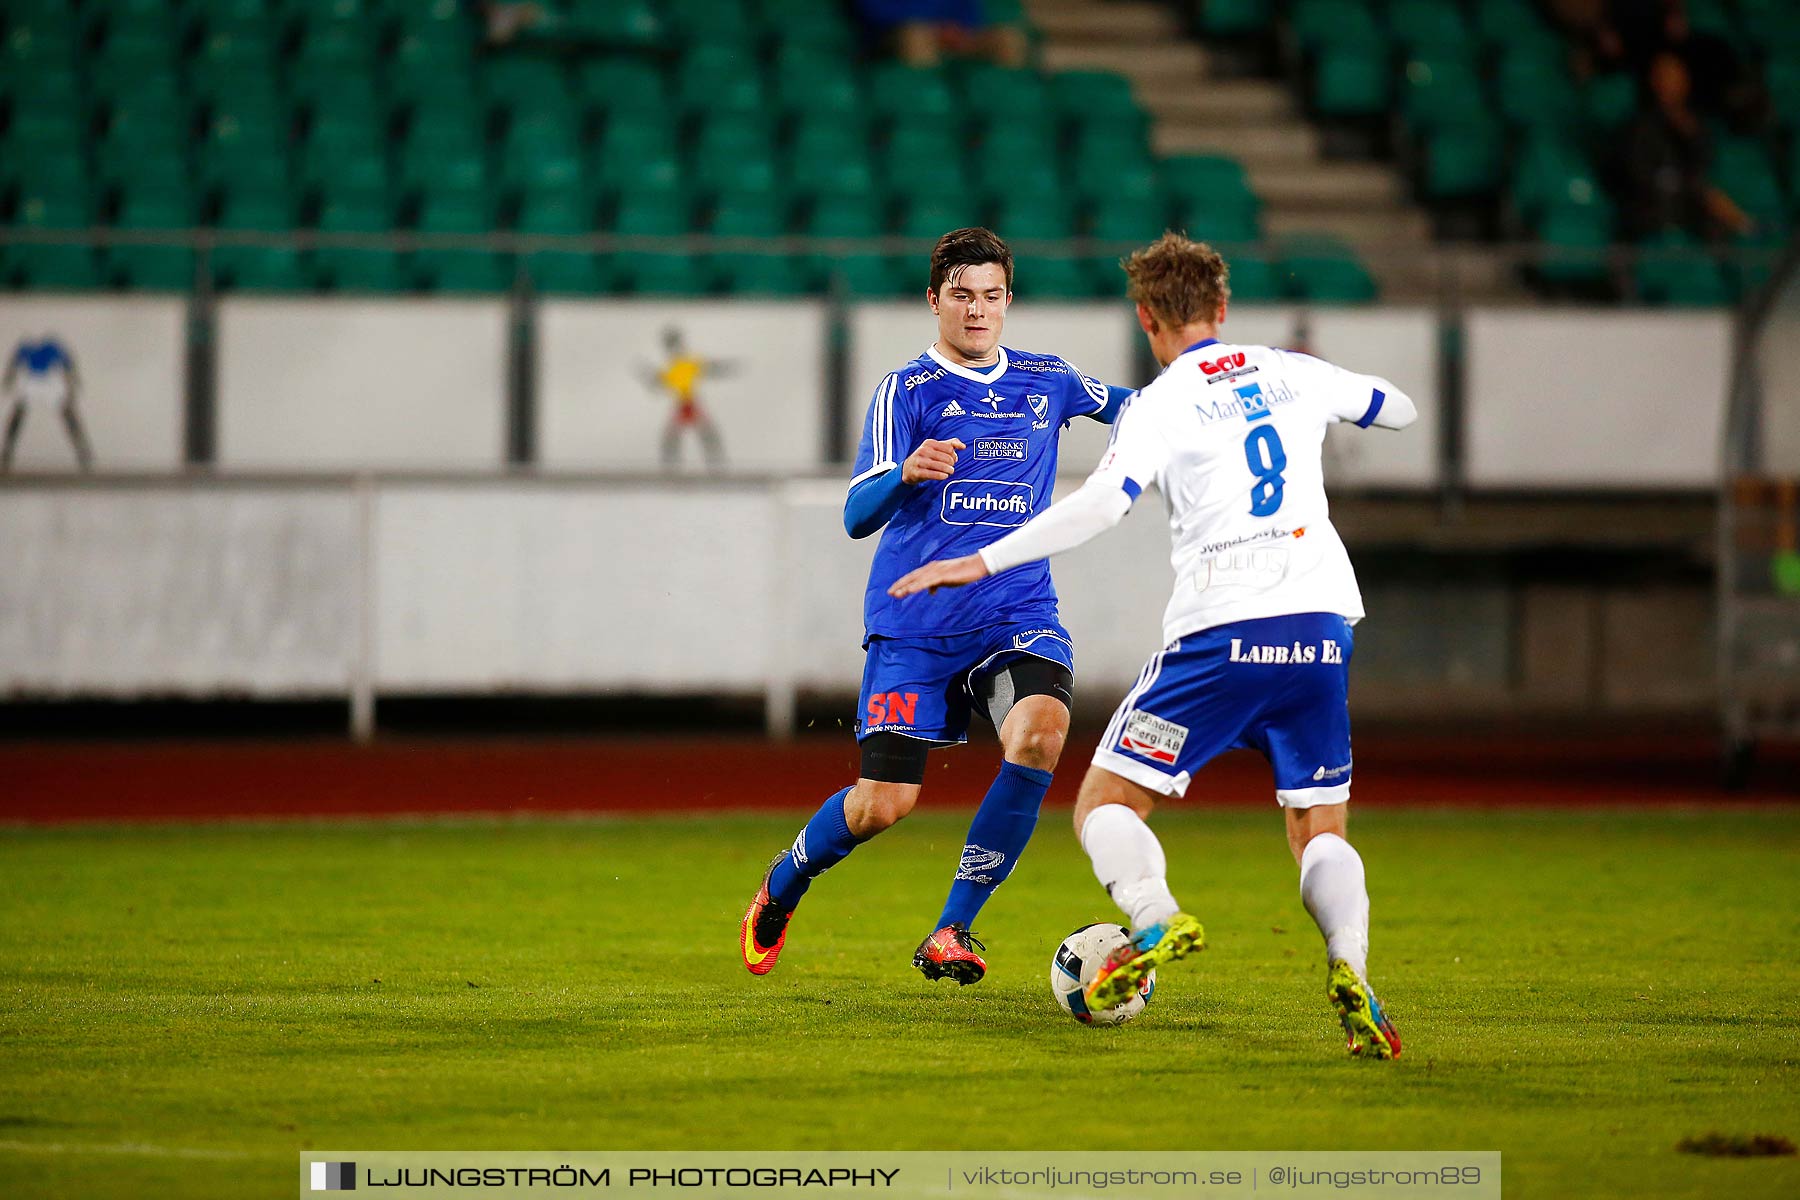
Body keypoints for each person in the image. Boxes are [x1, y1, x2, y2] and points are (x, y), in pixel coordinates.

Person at [890, 233, 1417, 1057]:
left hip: (1221, 632)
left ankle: (1156, 918)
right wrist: (1312, 383)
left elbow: (1103, 506)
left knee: (1104, 802)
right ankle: (1351, 967)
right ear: (1222, 308)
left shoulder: (1162, 403)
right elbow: (1397, 407)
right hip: (1321, 629)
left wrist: (979, 559)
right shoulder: (1289, 370)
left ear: (1145, 317)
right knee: (1321, 826)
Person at [739, 227, 1134, 984]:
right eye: (962, 296)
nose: (978, 310)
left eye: (991, 296)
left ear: (1008, 301)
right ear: (934, 301)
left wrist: (1217, 398)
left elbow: (1138, 409)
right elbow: (857, 512)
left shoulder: (1050, 380)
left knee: (1041, 736)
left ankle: (952, 928)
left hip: (1015, 612)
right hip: (915, 625)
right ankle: (782, 886)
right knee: (882, 805)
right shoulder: (908, 391)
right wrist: (907, 474)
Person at [640, 327, 731, 470]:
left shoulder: (686, 364)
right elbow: (660, 383)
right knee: (684, 435)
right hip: (684, 404)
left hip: (689, 403)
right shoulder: (676, 367)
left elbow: (709, 367)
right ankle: (673, 464)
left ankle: (714, 463)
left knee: (700, 434)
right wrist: (649, 376)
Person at [2, 333, 92, 472]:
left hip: (49, 380)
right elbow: (14, 364)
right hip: (32, 379)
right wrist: (9, 379)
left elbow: (68, 364)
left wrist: (72, 382)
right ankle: (7, 451)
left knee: (67, 413)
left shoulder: (51, 347)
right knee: (19, 412)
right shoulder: (27, 347)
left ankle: (83, 450)